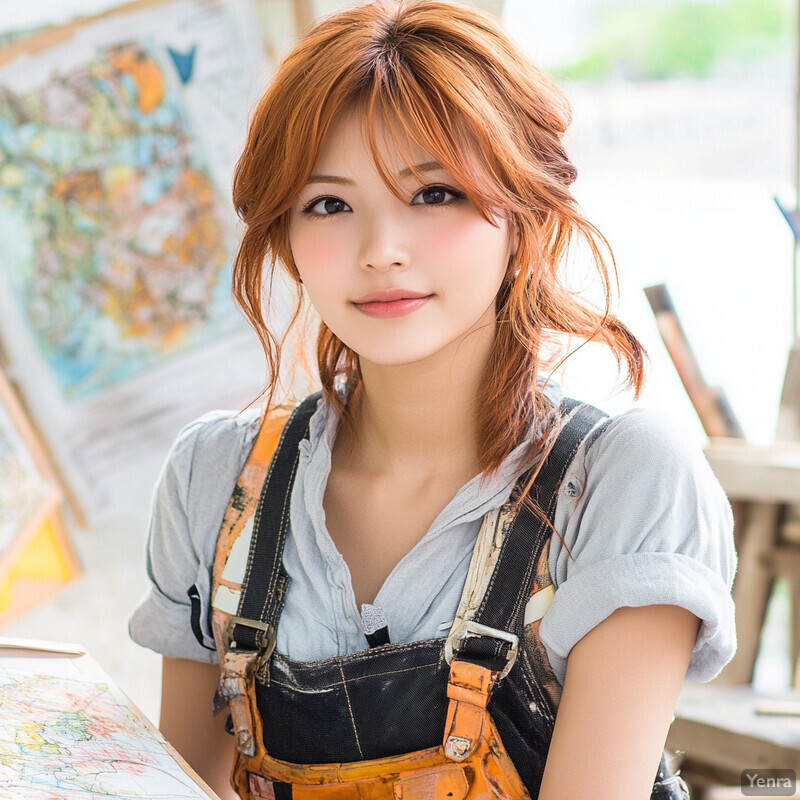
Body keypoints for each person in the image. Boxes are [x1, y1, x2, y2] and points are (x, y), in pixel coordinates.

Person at [128, 1, 738, 798]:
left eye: (435, 194)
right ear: (286, 236)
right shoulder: (217, 479)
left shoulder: (621, 482)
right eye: (330, 204)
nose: (382, 251)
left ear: (522, 218)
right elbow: (185, 789)